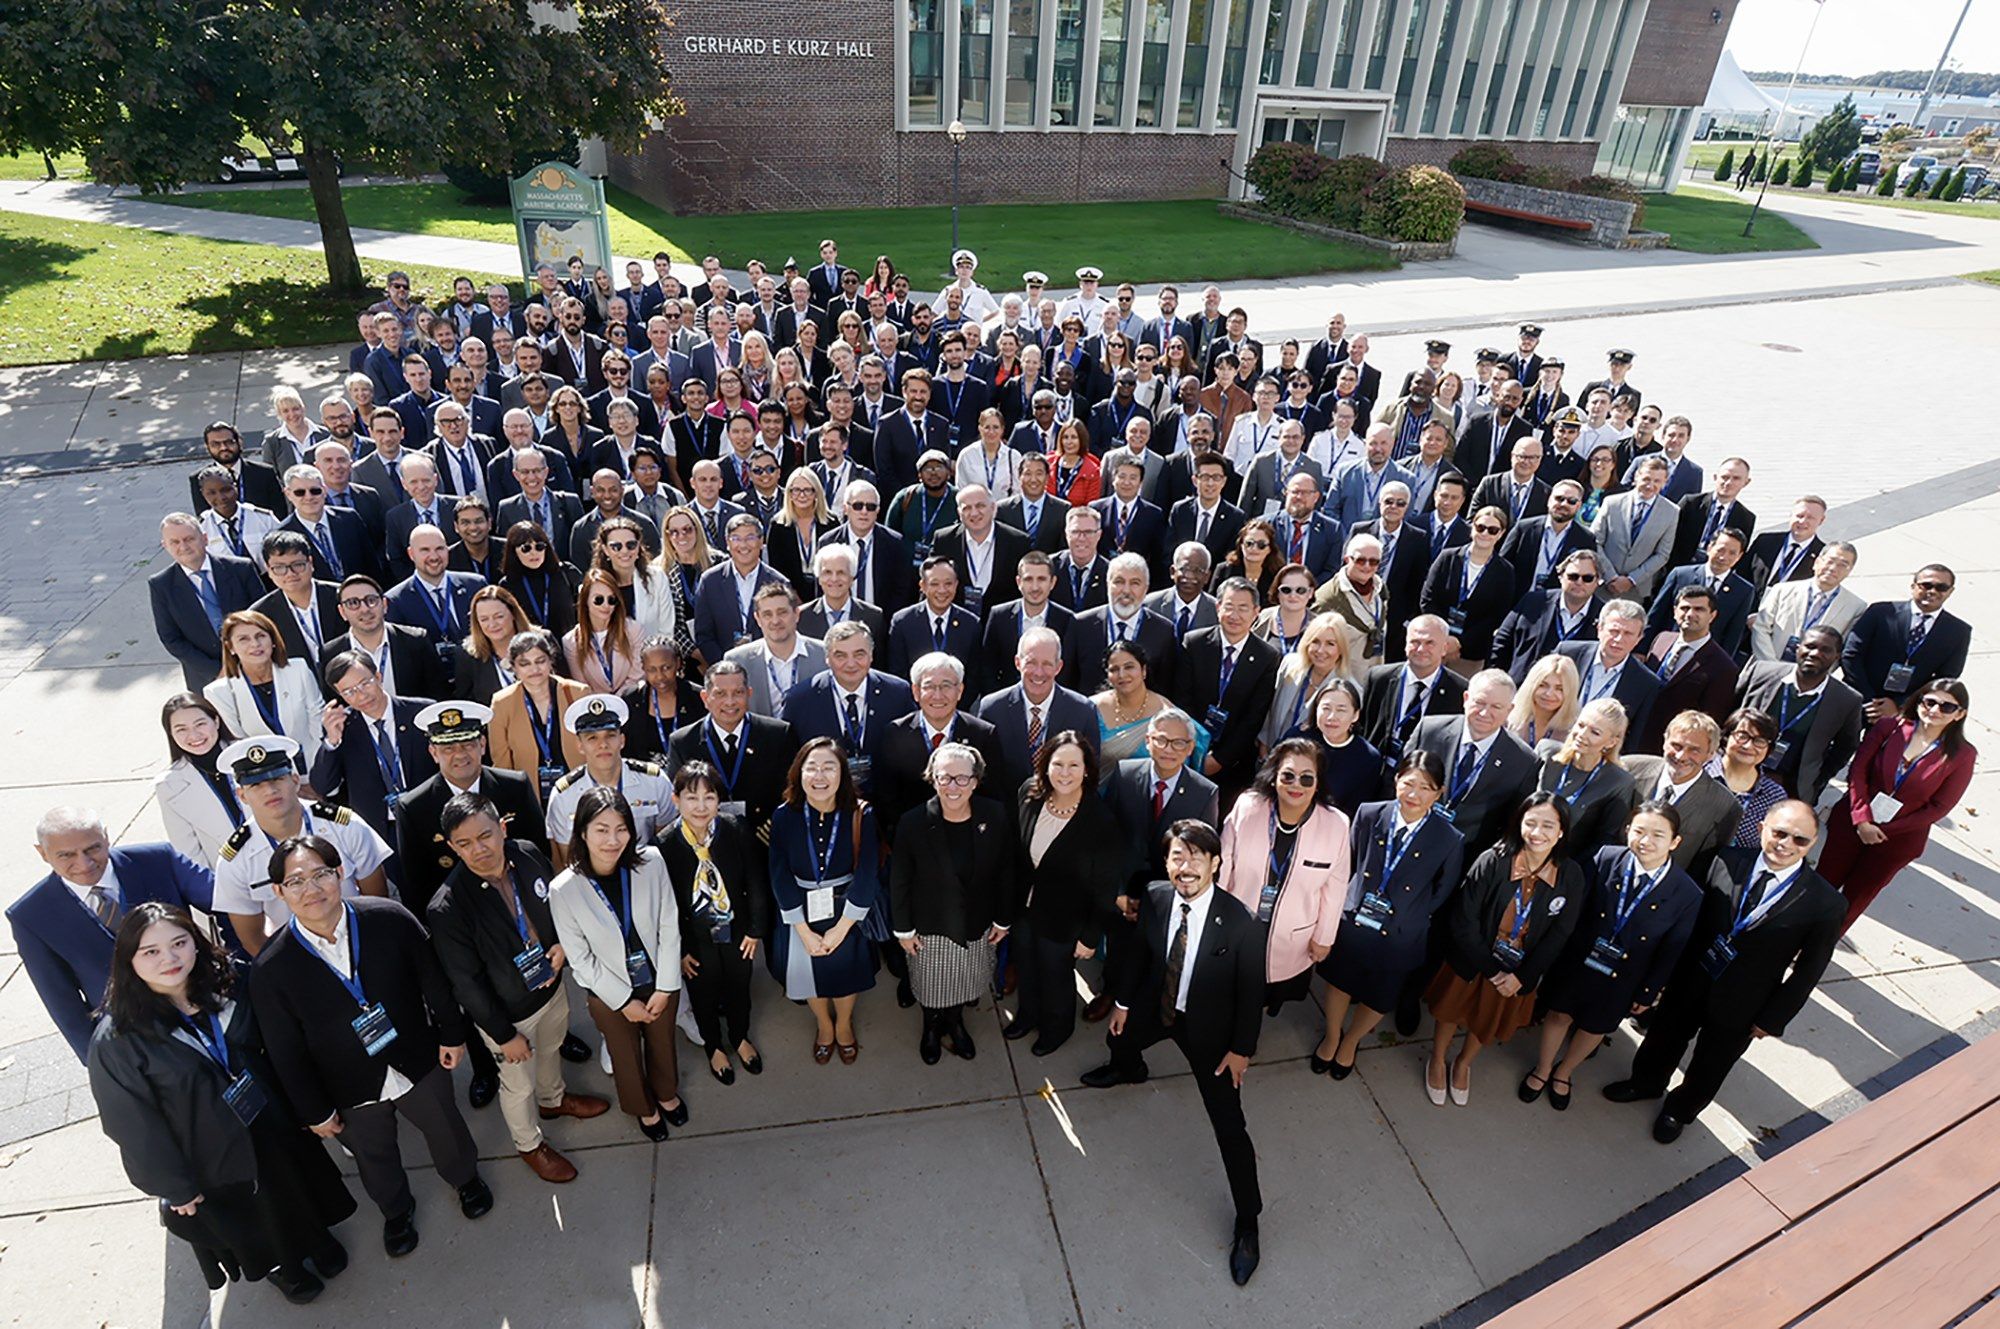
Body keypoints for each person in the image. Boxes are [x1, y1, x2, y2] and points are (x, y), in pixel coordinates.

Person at [87, 904, 355, 1303]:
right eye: (151, 952)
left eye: (179, 943)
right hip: (212, 1154)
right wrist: (174, 1186)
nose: (170, 959)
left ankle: (317, 1240)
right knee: (258, 1214)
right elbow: (132, 1126)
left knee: (297, 1184)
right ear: (129, 960)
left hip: (271, 1120)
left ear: (196, 943)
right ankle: (287, 1270)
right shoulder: (119, 1040)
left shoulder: (230, 981)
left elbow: (282, 1046)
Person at [251, 835, 490, 1257]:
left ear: (340, 873)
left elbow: (433, 982)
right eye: (296, 882)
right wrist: (315, 1110)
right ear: (278, 892)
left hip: (416, 1057)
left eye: (321, 874)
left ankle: (465, 1179)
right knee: (373, 1155)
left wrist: (452, 1034)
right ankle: (396, 1210)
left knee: (445, 1127)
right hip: (347, 1083)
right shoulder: (271, 968)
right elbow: (286, 1051)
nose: (311, 889)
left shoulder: (388, 918)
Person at [1079, 820, 1267, 1287]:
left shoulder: (1240, 923)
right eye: (1177, 857)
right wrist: (1123, 1003)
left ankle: (1248, 1222)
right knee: (1119, 1039)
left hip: (1210, 1034)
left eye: (1196, 857)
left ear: (1215, 863)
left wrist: (1241, 1051)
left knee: (1230, 1128)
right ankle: (1129, 1069)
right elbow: (1140, 955)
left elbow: (1251, 994)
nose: (1186, 867)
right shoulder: (1157, 896)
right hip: (1156, 1007)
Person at [1604, 800, 1844, 1143]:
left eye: (1799, 840)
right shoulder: (1724, 860)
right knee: (1663, 1037)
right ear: (1762, 828)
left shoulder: (1825, 903)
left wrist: (1773, 1018)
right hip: (1690, 978)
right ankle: (1645, 1083)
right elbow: (1688, 919)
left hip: (1745, 1002)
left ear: (1813, 843)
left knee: (1712, 1063)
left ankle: (1679, 1111)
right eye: (1779, 833)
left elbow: (1810, 969)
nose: (1786, 844)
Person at [429, 794, 609, 1182]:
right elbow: (466, 984)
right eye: (464, 843)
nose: (479, 850)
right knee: (517, 1086)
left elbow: (557, 907)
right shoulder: (448, 907)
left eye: (485, 836)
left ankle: (554, 1100)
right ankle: (529, 1144)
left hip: (551, 990)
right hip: (509, 1016)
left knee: (551, 1051)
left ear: (502, 829)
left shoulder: (526, 854)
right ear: (452, 847)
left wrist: (561, 945)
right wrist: (503, 1035)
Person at [1529, 801, 1702, 1109]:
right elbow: (1575, 910)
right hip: (1579, 959)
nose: (1646, 841)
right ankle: (1542, 1068)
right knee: (1558, 1014)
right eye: (1639, 831)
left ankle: (1564, 1072)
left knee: (1594, 1026)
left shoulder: (1687, 893)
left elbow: (1672, 948)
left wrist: (1648, 991)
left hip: (1624, 974)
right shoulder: (1605, 857)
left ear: (1675, 842)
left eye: (1658, 835)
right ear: (1627, 831)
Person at [11, 807, 219, 1062]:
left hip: (207, 1009)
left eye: (92, 849)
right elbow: (62, 1003)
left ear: (106, 837)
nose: (84, 864)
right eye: (66, 855)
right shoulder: (30, 916)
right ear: (42, 853)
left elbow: (230, 904)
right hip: (137, 1044)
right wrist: (101, 1064)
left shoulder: (158, 860)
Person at [1425, 793, 1585, 1105]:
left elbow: (1561, 932)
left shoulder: (1571, 875)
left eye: (1548, 826)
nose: (1537, 833)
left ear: (1561, 831)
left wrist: (1523, 977)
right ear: (1519, 823)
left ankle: (1463, 1063)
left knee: (1488, 1019)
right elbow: (1464, 921)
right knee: (1450, 1012)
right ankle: (1438, 1058)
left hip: (1517, 971)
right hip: (1475, 959)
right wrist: (1492, 970)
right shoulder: (1493, 860)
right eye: (1531, 823)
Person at [546, 787, 687, 1139]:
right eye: (601, 829)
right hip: (609, 991)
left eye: (621, 829)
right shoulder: (564, 889)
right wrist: (623, 1001)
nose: (613, 840)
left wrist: (666, 986)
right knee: (624, 1055)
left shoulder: (651, 862)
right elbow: (580, 959)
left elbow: (669, 924)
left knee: (662, 1042)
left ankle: (666, 1094)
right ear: (582, 832)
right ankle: (644, 1108)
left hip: (657, 978)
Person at [1314, 751, 1465, 1078]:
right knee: (1340, 982)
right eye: (1408, 783)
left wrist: (1410, 915)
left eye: (1426, 787)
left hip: (1400, 931)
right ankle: (1332, 1034)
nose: (1414, 794)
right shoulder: (1369, 813)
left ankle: (1351, 1041)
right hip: (1355, 919)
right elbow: (1348, 861)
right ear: (1396, 780)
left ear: (1439, 793)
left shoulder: (1449, 838)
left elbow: (1442, 891)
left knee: (1379, 997)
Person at [892, 742, 1018, 1063]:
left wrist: (1003, 919)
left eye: (962, 778)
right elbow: (900, 881)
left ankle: (955, 1022)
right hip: (930, 926)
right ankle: (931, 1027)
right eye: (944, 778)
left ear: (975, 781)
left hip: (977, 923)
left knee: (965, 982)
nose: (953, 786)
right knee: (930, 985)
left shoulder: (995, 814)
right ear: (932, 779)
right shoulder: (912, 822)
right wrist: (903, 930)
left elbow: (1006, 871)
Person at [1817, 680, 1976, 934]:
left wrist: (1885, 830)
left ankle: (1818, 948)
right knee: (1821, 885)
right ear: (1919, 702)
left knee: (1854, 901)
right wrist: (1862, 819)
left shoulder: (1963, 755)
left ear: (1959, 714)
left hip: (1897, 841)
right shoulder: (1889, 727)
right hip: (1853, 823)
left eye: (1946, 707)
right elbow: (1858, 771)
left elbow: (1938, 808)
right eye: (1930, 702)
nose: (1935, 710)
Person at [210, 737, 392, 954]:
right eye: (256, 785)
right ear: (242, 796)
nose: (270, 790)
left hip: (361, 940)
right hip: (295, 956)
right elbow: (253, 939)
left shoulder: (345, 826)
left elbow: (377, 899)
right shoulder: (235, 859)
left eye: (277, 778)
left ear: (295, 781)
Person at [1008, 732, 1129, 1056]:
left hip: (1065, 920)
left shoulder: (1100, 821)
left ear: (1087, 770)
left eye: (1074, 765)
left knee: (1056, 976)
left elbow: (1104, 887)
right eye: (1057, 764)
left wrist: (1090, 937)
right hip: (1023, 909)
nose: (1065, 773)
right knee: (1026, 966)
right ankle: (1027, 1015)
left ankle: (1057, 1028)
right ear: (1045, 766)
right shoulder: (1029, 794)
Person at [766, 737, 883, 1063]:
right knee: (809, 976)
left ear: (842, 774)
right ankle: (824, 1025)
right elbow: (778, 873)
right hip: (799, 911)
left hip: (847, 908)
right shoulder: (784, 816)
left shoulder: (861, 813)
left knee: (846, 975)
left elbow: (868, 872)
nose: (820, 776)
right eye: (812, 768)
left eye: (829, 768)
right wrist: (802, 930)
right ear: (799, 773)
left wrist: (842, 928)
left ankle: (843, 1024)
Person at [656, 762, 768, 1083]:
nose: (701, 806)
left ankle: (740, 1036)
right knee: (702, 992)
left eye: (709, 797)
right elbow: (665, 905)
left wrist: (755, 930)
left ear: (719, 799)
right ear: (676, 800)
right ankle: (714, 1046)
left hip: (736, 930)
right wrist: (679, 950)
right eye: (691, 798)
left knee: (739, 985)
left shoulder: (736, 829)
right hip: (694, 937)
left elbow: (755, 881)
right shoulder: (664, 845)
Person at [1218, 740, 1350, 1013]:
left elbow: (1335, 888)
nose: (1296, 785)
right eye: (1288, 775)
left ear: (1318, 783)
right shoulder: (1248, 807)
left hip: (1293, 935)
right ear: (1274, 776)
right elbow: (1223, 865)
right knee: (1232, 992)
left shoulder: (1336, 824)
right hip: (1240, 923)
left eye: (1306, 778)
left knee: (1270, 993)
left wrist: (1324, 937)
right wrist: (1216, 919)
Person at [1735, 625, 1865, 804]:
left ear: (1837, 657)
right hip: (1737, 768)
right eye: (1810, 646)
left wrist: (1815, 782)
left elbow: (1845, 748)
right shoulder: (1761, 673)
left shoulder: (1847, 700)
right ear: (1797, 648)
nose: (1815, 653)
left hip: (1789, 788)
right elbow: (1730, 711)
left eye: (1825, 650)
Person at [545, 694, 674, 865]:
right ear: (580, 745)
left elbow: (667, 845)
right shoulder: (564, 795)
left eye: (610, 735)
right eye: (592, 738)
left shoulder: (654, 781)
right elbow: (567, 861)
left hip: (646, 872)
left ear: (622, 740)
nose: (603, 744)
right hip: (590, 878)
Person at [1842, 564, 1971, 726]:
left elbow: (1946, 677)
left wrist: (1900, 704)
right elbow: (1851, 654)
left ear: (1950, 591)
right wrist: (1870, 699)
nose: (1932, 591)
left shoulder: (1958, 631)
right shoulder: (1881, 612)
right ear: (1913, 586)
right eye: (1926, 585)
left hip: (1904, 712)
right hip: (1857, 697)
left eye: (1941, 587)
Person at [150, 514, 266, 688]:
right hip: (206, 677)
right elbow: (170, 637)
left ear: (205, 539)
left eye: (189, 539)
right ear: (165, 546)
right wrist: (216, 670)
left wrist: (249, 658)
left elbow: (263, 617)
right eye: (174, 542)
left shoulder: (241, 569)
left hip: (255, 665)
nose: (183, 547)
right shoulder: (161, 585)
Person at [1624, 710, 1742, 879]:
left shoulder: (1725, 807)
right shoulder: (1629, 769)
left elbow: (1703, 869)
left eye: (1694, 750)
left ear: (1711, 754)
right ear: (1665, 741)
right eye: (1676, 746)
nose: (1681, 756)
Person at [204, 610, 325, 768]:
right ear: (230, 647)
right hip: (265, 774)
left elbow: (318, 719)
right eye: (243, 639)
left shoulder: (298, 669)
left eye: (260, 636)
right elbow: (238, 742)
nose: (255, 644)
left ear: (273, 640)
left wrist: (319, 768)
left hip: (314, 764)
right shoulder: (218, 692)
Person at [487, 629, 589, 801]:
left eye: (540, 661)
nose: (534, 669)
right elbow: (501, 761)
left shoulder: (577, 692)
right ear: (514, 668)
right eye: (525, 664)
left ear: (550, 661)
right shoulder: (501, 702)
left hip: (579, 789)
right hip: (530, 795)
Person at [1421, 506, 1517, 675]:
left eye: (1492, 530)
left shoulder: (1505, 571)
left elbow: (1496, 616)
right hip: (1432, 644)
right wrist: (1443, 638)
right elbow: (1427, 599)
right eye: (1480, 527)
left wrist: (1459, 643)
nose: (1485, 533)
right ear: (1472, 527)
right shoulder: (1447, 557)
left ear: (1501, 534)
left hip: (1470, 653)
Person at [154, 693, 245, 868]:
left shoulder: (249, 753)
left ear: (216, 721)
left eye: (200, 724)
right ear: (171, 734)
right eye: (181, 729)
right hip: (229, 876)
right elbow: (188, 852)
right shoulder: (169, 785)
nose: (194, 735)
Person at [1534, 698, 1638, 849]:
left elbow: (1604, 840)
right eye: (1581, 725)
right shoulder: (1547, 752)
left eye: (1595, 732)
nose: (1582, 734)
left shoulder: (1619, 782)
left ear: (1611, 742)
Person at [1259, 611, 1348, 754]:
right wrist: (1264, 747)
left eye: (1330, 644)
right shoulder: (1289, 665)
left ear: (1342, 648)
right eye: (1315, 641)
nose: (1321, 650)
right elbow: (1270, 708)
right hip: (1270, 755)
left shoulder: (1348, 689)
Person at [1709, 708, 1790, 849]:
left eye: (1759, 741)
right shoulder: (1700, 771)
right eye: (1742, 736)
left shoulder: (1775, 796)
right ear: (1726, 737)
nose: (1748, 746)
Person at [1309, 679, 1385, 817]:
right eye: (1326, 708)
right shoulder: (1298, 738)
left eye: (1341, 710)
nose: (1332, 717)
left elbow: (1357, 810)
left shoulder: (1368, 758)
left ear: (1355, 715)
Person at [1509, 653, 1581, 748]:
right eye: (1542, 685)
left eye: (1559, 689)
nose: (1549, 694)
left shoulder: (1575, 730)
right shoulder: (1508, 717)